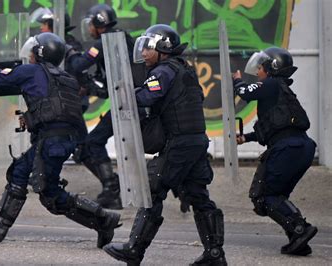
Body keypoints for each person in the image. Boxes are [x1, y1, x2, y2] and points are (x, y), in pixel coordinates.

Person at [0, 32, 121, 250]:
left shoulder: (30, 71)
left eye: (33, 51)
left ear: (38, 53)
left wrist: (2, 70)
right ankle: (0, 225)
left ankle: (103, 221)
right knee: (20, 171)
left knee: (49, 194)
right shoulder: (67, 79)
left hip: (51, 141)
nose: (30, 55)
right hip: (62, 140)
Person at [103, 24, 227, 266]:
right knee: (198, 196)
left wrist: (125, 94)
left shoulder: (164, 71)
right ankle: (214, 254)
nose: (144, 53)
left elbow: (147, 96)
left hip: (180, 144)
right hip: (195, 142)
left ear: (163, 49)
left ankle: (134, 249)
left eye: (149, 48)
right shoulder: (184, 70)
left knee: (152, 190)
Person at [233, 47, 317, 256]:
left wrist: (236, 80)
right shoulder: (280, 91)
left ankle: (301, 229)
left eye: (261, 67)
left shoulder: (270, 84)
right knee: (277, 196)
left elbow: (245, 92)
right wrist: (247, 138)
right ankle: (298, 239)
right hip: (301, 147)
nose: (258, 71)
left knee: (265, 196)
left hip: (288, 148)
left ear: (272, 68)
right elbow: (273, 128)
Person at [66, 3, 142, 210]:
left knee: (93, 142)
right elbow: (110, 82)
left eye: (90, 23)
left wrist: (70, 52)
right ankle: (114, 188)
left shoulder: (102, 43)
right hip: (133, 100)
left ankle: (111, 189)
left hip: (126, 102)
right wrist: (92, 88)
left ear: (99, 23)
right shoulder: (122, 39)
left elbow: (77, 66)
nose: (88, 28)